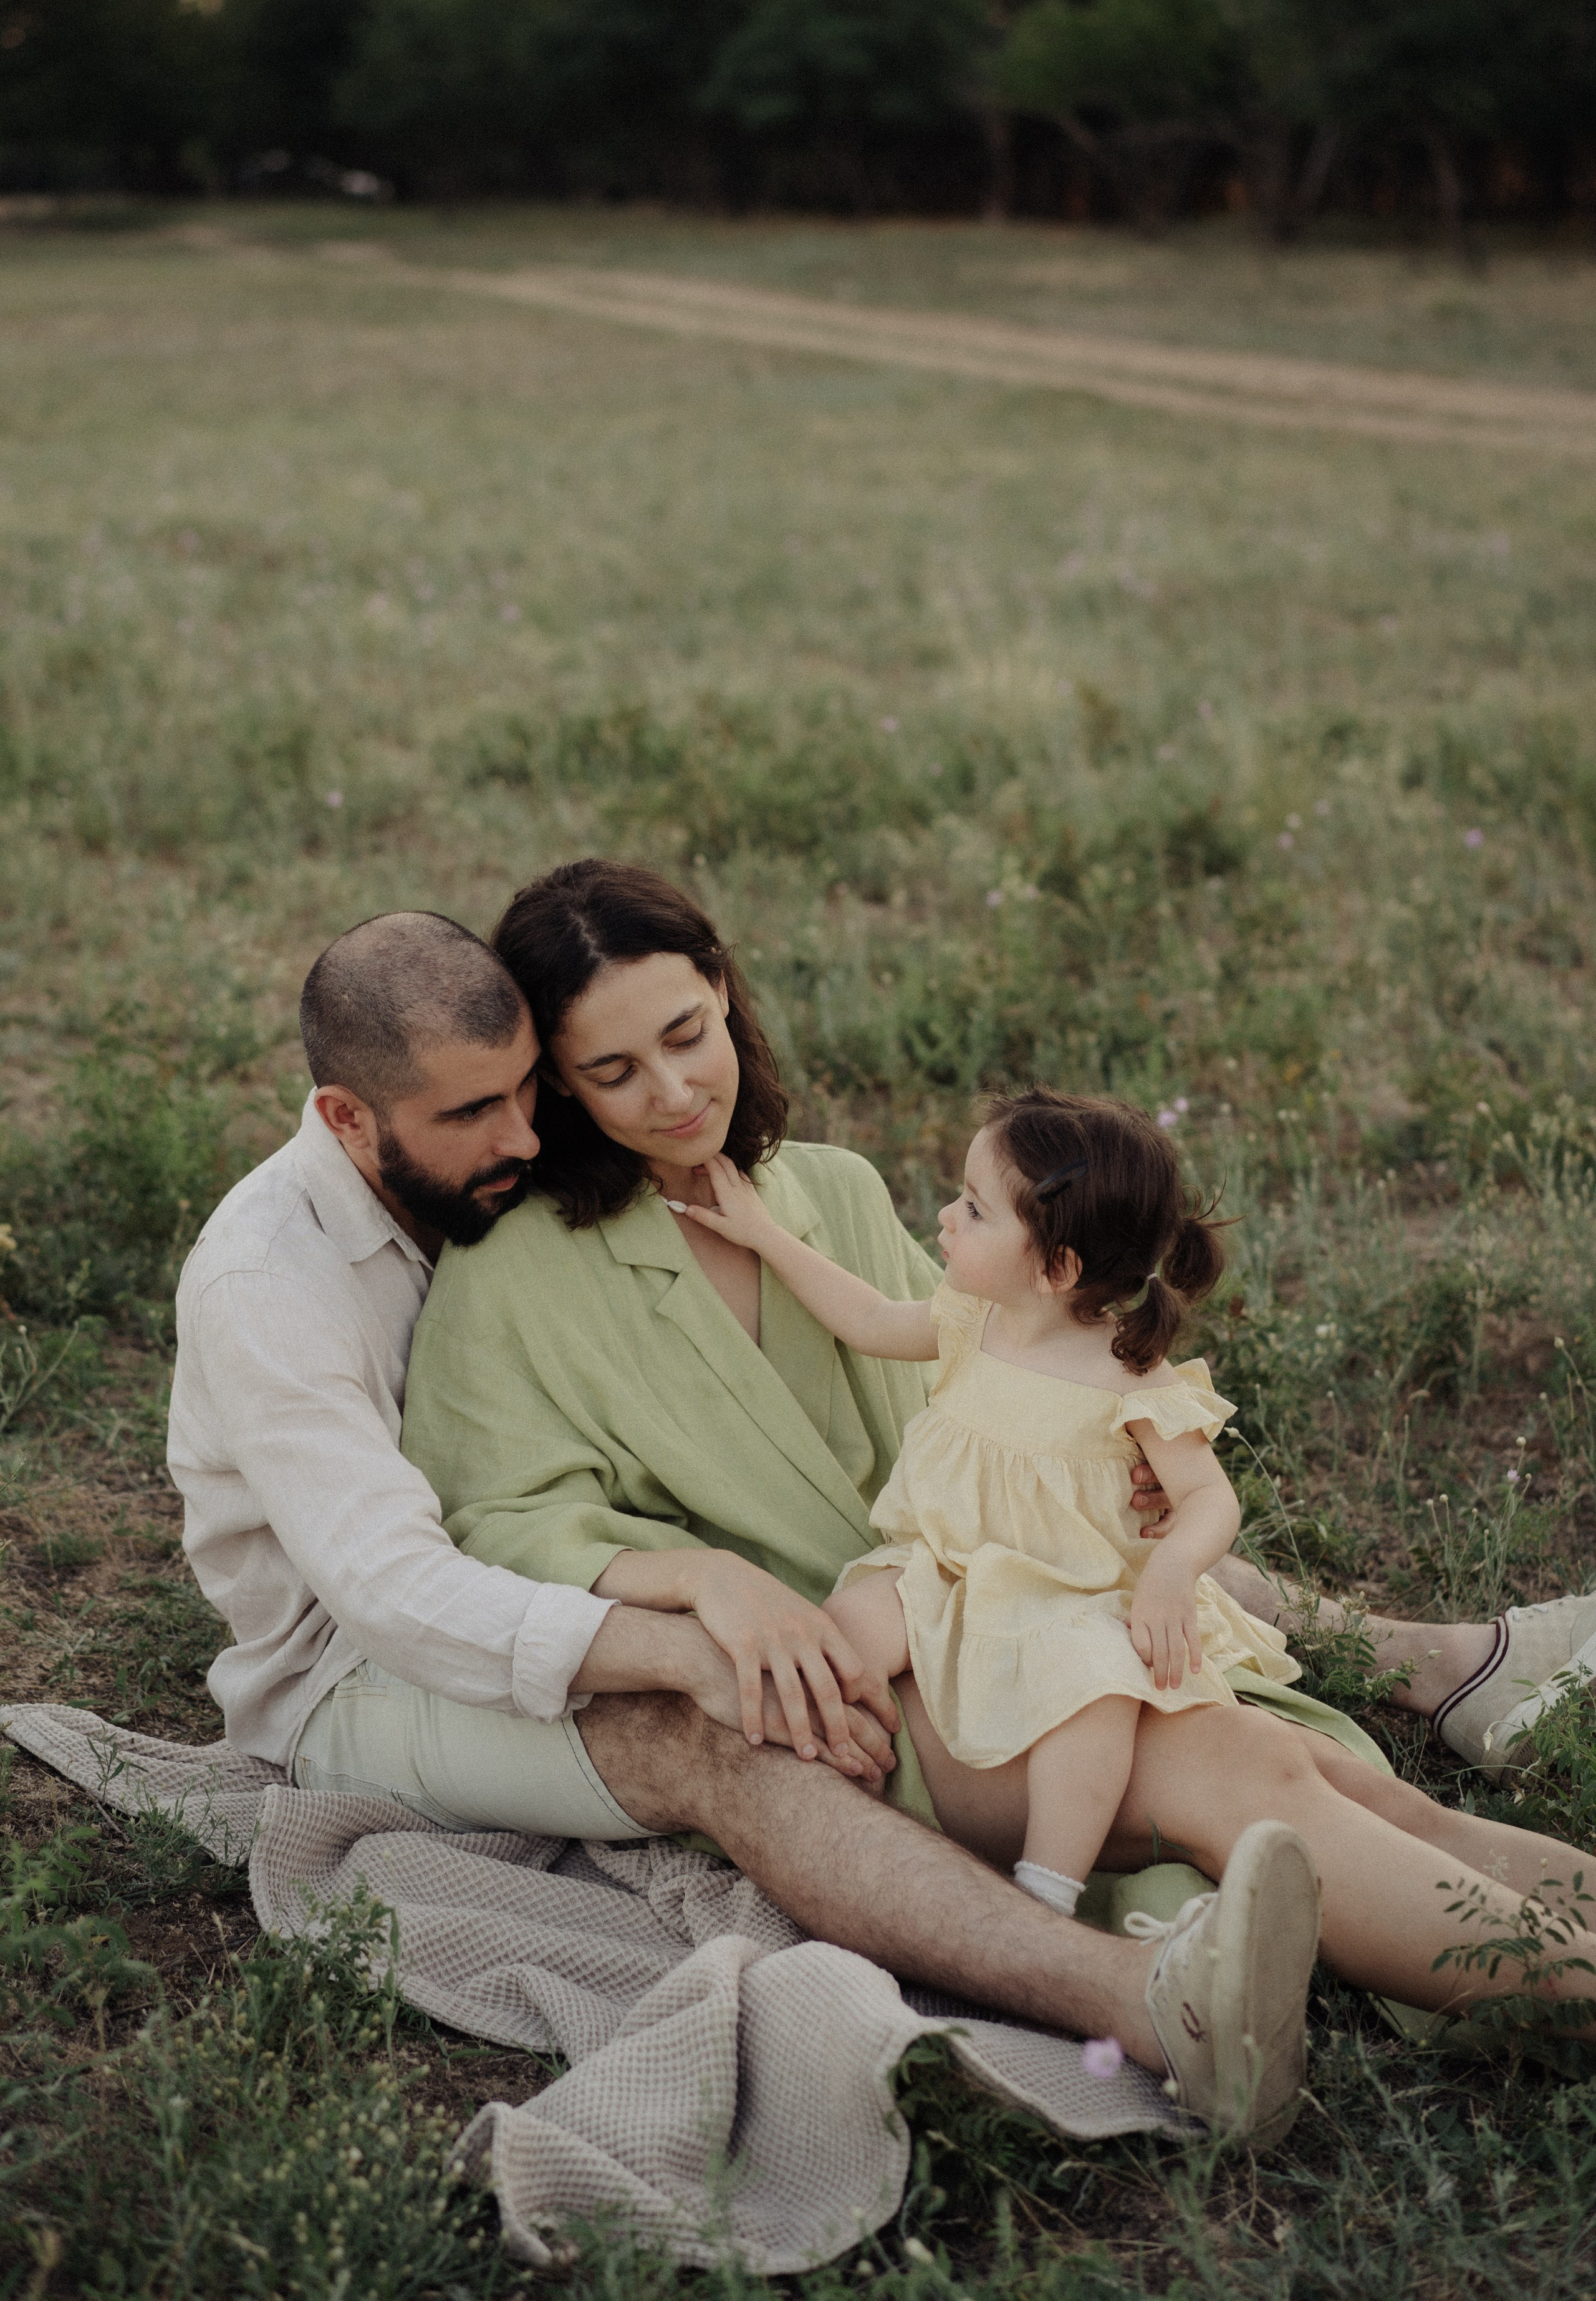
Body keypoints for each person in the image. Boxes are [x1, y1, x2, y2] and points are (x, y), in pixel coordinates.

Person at [400, 858, 1596, 2061]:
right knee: (1237, 1768)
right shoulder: (515, 1272)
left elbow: (981, 1406)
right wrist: (703, 1582)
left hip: (997, 1623)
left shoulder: (829, 1188)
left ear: (723, 992)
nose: (671, 1091)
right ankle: (1566, 1996)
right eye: (612, 1071)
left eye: (687, 1034)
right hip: (845, 1688)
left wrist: (1101, 1474)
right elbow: (497, 1522)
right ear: (554, 1082)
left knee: (1315, 1769)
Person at [165, 907, 1322, 2146]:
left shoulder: (519, 1186)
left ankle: (1412, 1653)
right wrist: (680, 1632)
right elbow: (395, 1594)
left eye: (527, 1093)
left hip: (523, 1562)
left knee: (1043, 1536)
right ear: (347, 1119)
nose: (522, 1137)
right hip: (357, 1673)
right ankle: (1143, 2008)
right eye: (469, 1116)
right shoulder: (266, 1287)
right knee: (721, 1713)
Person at [673, 1090, 1299, 1924]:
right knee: (847, 1632)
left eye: (973, 1207)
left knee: (1097, 1699)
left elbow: (1207, 1498)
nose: (944, 1216)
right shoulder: (974, 1319)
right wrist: (763, 1234)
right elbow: (862, 1316)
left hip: (1065, 1600)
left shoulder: (1131, 1381)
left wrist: (1176, 1568)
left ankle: (1048, 1885)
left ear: (1056, 1268)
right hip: (938, 1566)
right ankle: (837, 1795)